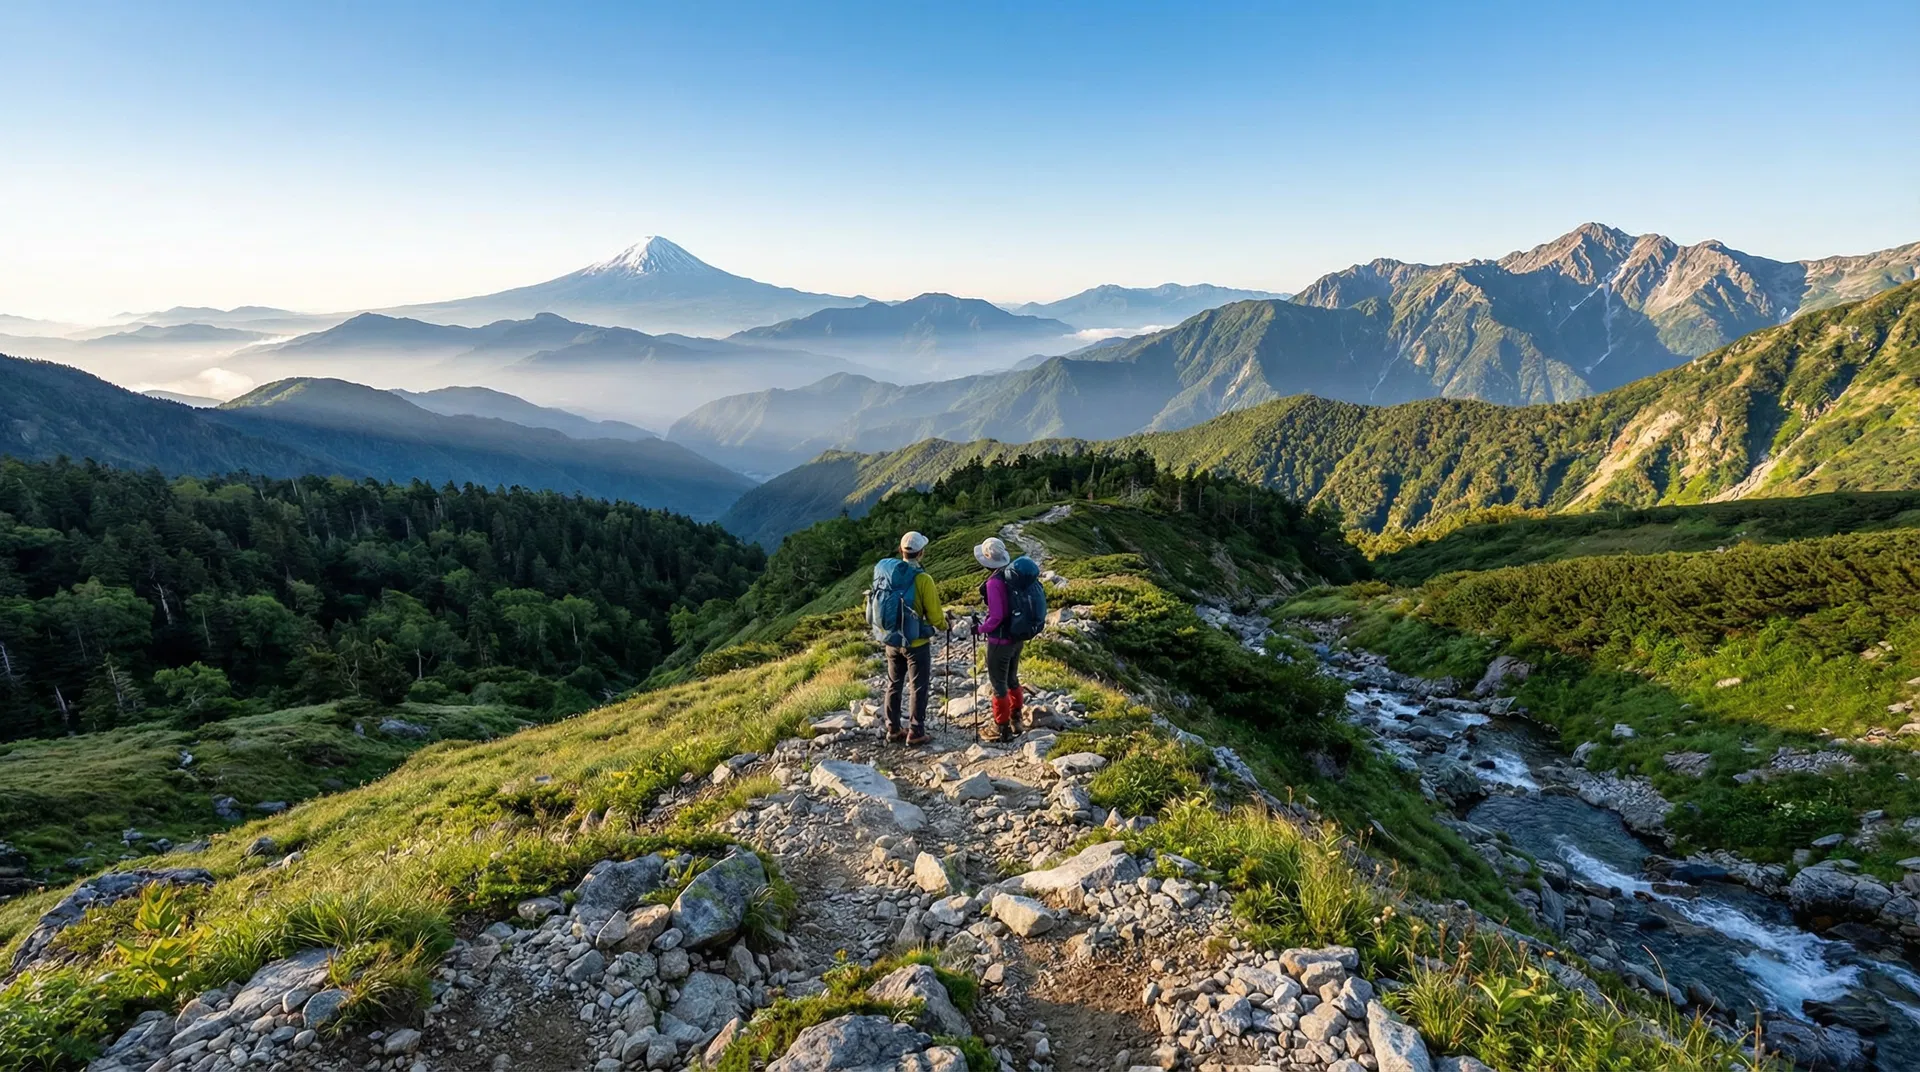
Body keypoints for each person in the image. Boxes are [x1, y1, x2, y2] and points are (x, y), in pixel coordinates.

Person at [877, 531, 947, 746]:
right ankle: (916, 731)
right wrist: (945, 625)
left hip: (891, 640)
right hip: (915, 642)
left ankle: (893, 728)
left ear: (901, 551)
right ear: (921, 553)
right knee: (918, 686)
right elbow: (935, 615)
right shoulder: (923, 579)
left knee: (893, 684)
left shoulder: (887, 574)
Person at [974, 535, 1030, 742]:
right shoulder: (1014, 576)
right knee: (1012, 679)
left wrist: (980, 629)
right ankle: (1017, 719)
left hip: (1000, 641)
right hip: (1017, 637)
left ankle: (1002, 728)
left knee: (998, 684)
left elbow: (996, 617)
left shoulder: (994, 583)